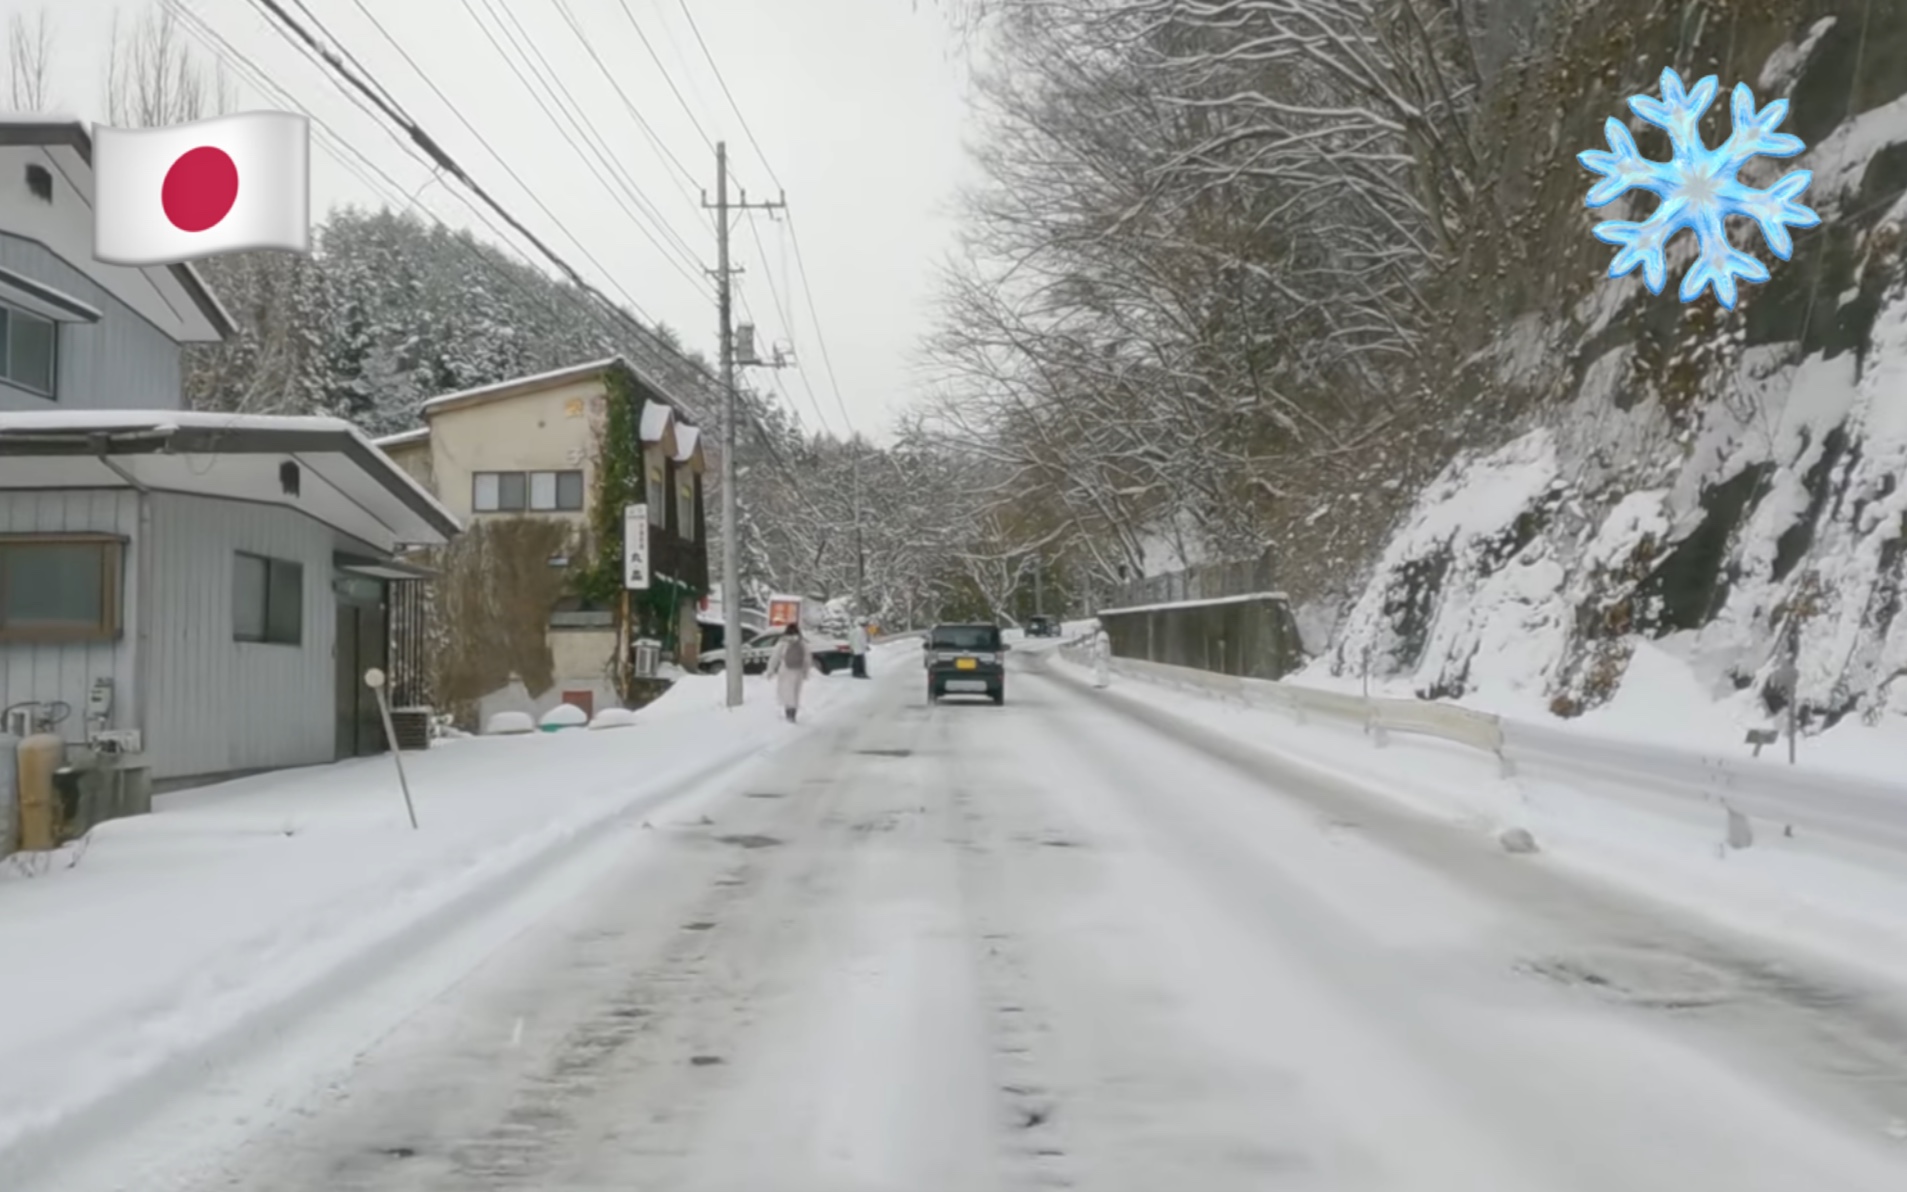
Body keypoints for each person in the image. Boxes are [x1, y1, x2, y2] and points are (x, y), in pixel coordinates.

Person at [765, 623, 811, 722]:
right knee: (795, 693)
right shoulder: (802, 643)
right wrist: (806, 672)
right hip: (797, 671)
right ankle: (793, 713)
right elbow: (807, 659)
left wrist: (770, 670)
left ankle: (788, 713)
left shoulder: (782, 642)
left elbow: (775, 657)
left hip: (785, 670)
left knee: (786, 693)